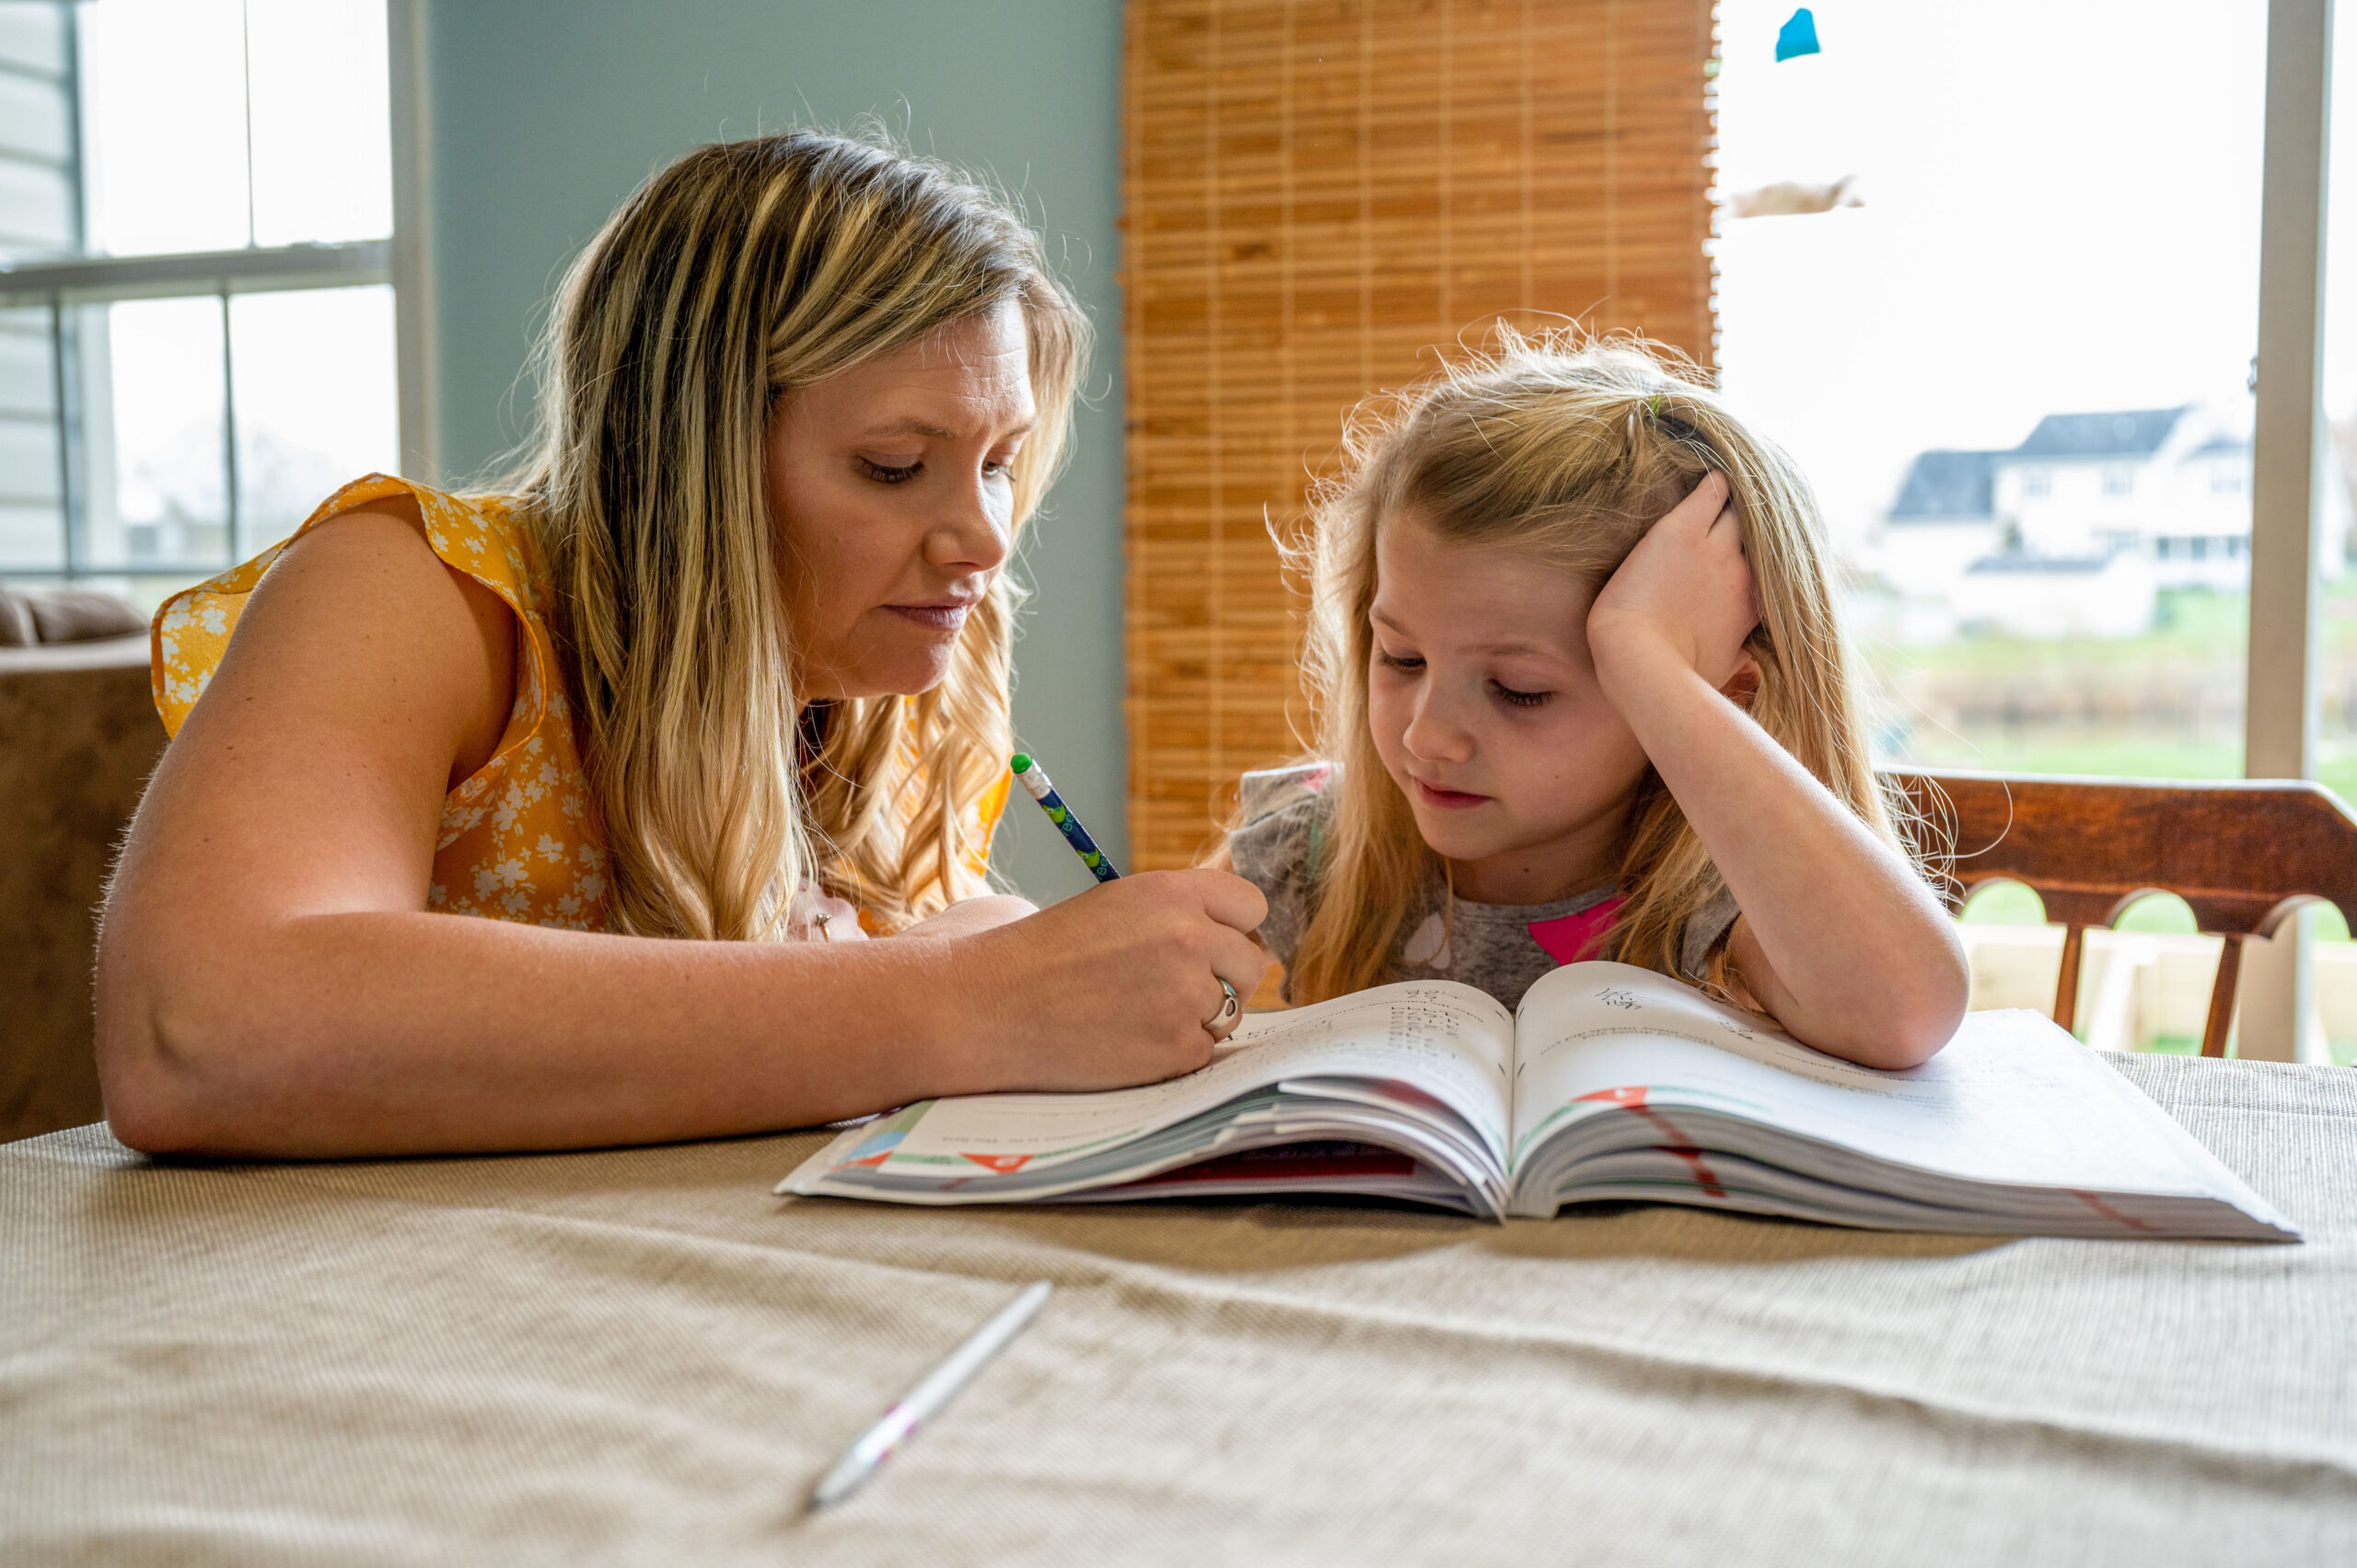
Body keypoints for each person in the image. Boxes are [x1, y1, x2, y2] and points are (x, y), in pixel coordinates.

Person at [96, 130, 1271, 1158]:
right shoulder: (420, 595)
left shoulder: (886, 685)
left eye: (1001, 461)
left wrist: (1000, 978)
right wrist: (952, 995)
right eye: (894, 468)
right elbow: (198, 1027)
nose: (980, 538)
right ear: (689, 456)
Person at [1220, 331, 1968, 1069]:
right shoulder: (1312, 847)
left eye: (1521, 691)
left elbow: (1907, 1014)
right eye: (1402, 657)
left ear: (1719, 696)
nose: (1427, 736)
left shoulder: (1725, 885)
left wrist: (1647, 660)